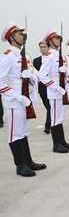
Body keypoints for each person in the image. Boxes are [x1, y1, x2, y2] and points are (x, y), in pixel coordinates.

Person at [0, 22, 46, 176]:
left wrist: (31, 76)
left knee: (24, 131)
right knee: (15, 133)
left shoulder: (25, 56)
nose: (23, 36)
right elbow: (0, 82)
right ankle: (20, 165)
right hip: (15, 100)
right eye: (20, 34)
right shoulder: (7, 56)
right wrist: (17, 97)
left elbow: (35, 75)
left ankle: (28, 161)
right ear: (12, 37)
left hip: (28, 97)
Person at [39, 29, 69, 153]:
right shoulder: (48, 56)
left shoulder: (62, 56)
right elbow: (42, 76)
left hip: (63, 90)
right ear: (50, 41)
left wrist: (66, 71)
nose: (59, 40)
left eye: (60, 38)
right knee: (55, 118)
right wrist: (55, 88)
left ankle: (62, 141)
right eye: (56, 38)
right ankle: (56, 144)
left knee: (60, 117)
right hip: (55, 92)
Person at [33, 42, 51, 134]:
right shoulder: (36, 60)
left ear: (49, 48)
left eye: (44, 47)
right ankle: (51, 124)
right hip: (42, 89)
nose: (42, 49)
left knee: (50, 107)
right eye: (41, 47)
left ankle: (48, 126)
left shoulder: (52, 59)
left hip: (51, 87)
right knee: (49, 108)